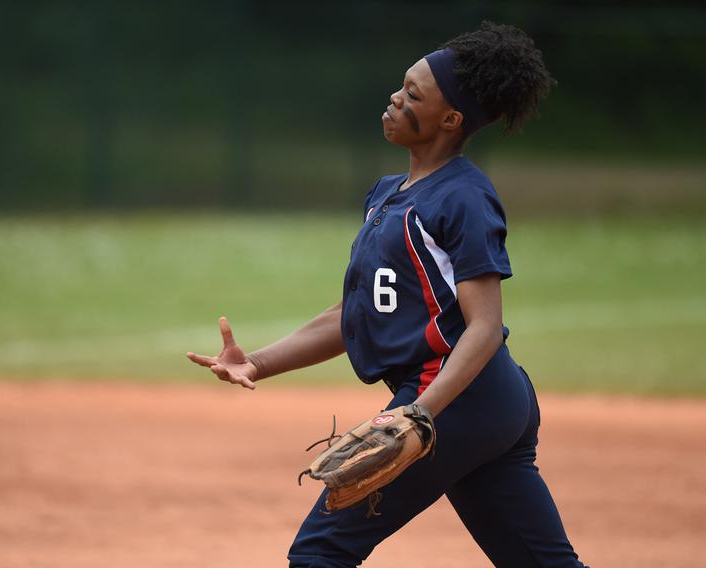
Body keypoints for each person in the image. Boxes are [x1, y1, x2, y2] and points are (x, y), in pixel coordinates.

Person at [187, 21, 586, 568]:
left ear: (451, 120)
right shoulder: (387, 196)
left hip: (452, 397)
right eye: (402, 86)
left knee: (318, 553)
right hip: (477, 403)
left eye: (414, 95)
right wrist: (256, 362)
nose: (396, 99)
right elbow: (352, 316)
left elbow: (484, 326)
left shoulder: (463, 199)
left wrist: (420, 415)